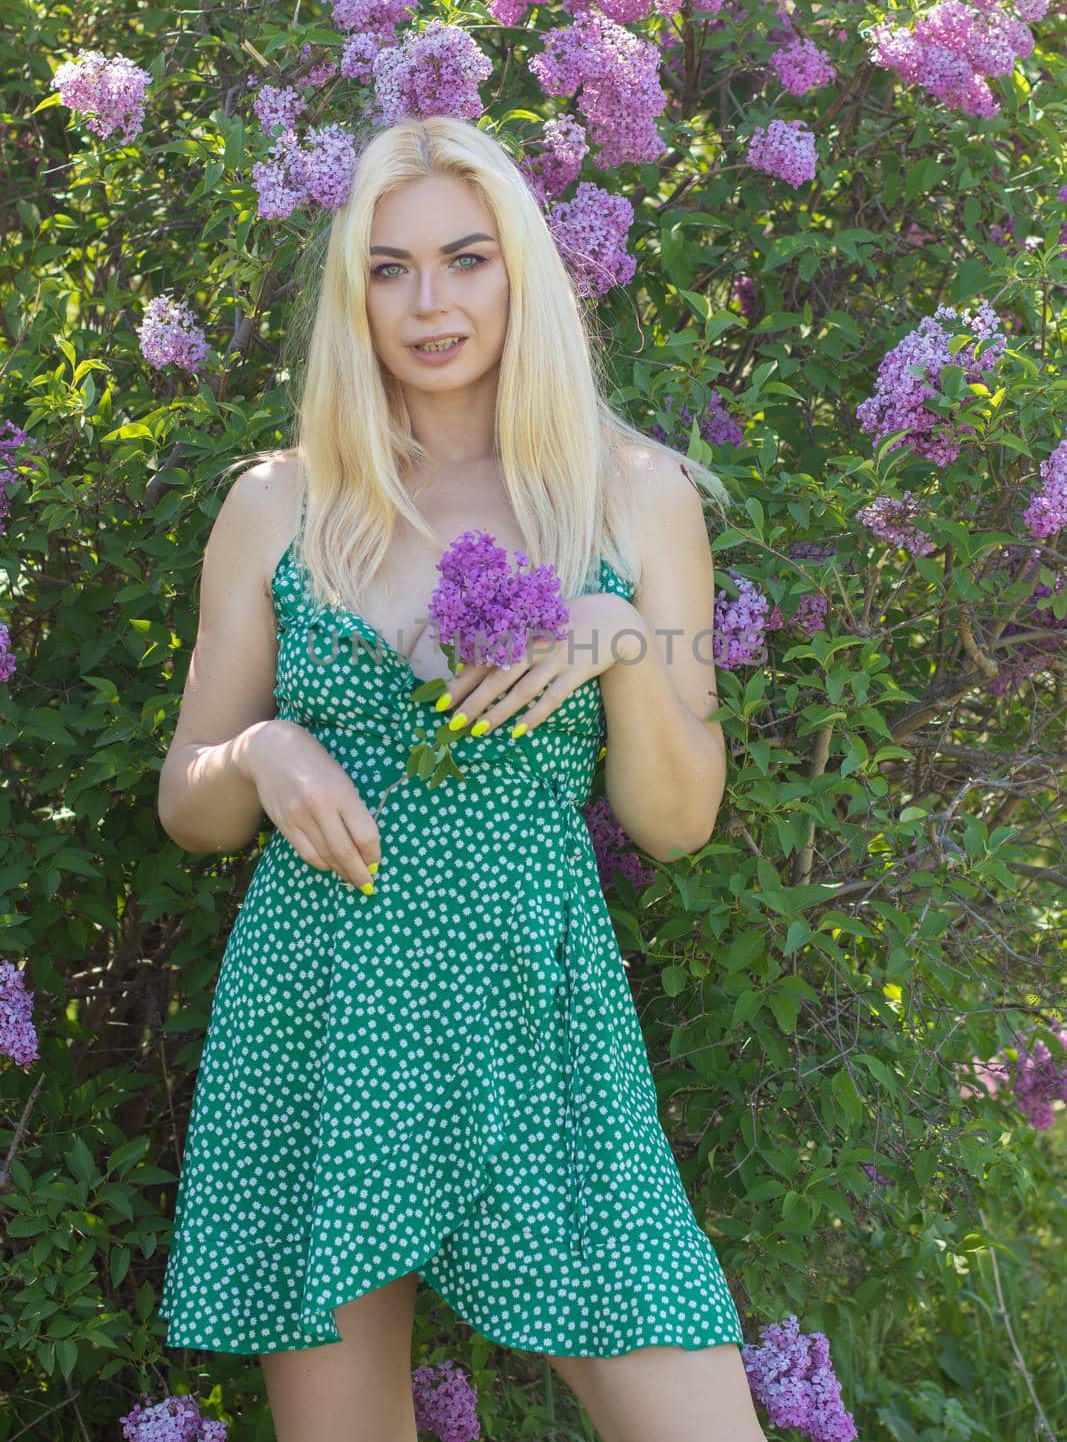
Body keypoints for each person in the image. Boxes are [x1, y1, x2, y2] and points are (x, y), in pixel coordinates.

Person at [156, 115, 766, 1442]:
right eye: (388, 268)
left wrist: (617, 648)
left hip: (538, 1014)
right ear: (350, 295)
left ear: (521, 272)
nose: (428, 302)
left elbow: (676, 822)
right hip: (321, 1012)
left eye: (465, 259)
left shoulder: (634, 495)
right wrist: (260, 752)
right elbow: (188, 805)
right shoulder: (280, 502)